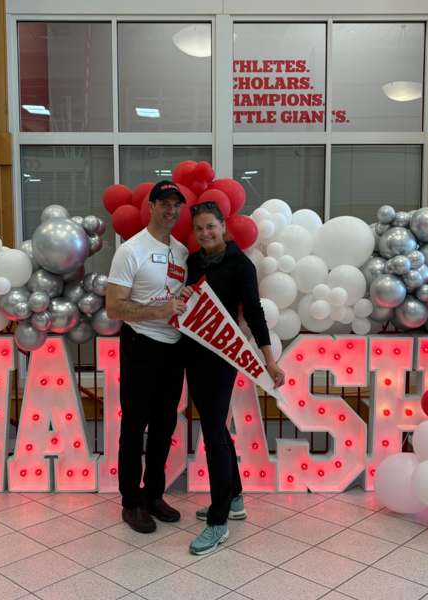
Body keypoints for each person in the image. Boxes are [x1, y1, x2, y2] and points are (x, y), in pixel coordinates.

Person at [182, 201, 286, 555]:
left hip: (222, 359)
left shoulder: (241, 264)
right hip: (193, 355)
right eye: (199, 229)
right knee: (215, 427)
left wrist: (269, 361)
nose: (205, 233)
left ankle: (218, 520)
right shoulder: (193, 262)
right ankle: (235, 499)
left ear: (223, 226)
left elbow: (254, 313)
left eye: (211, 227)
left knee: (212, 433)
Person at [105, 180, 189, 534]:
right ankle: (131, 501)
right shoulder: (131, 250)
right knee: (135, 425)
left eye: (176, 205)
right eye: (164, 204)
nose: (170, 211)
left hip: (174, 349)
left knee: (164, 425)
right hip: (141, 345)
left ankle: (154, 494)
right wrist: (158, 311)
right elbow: (114, 306)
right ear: (151, 206)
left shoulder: (182, 251)